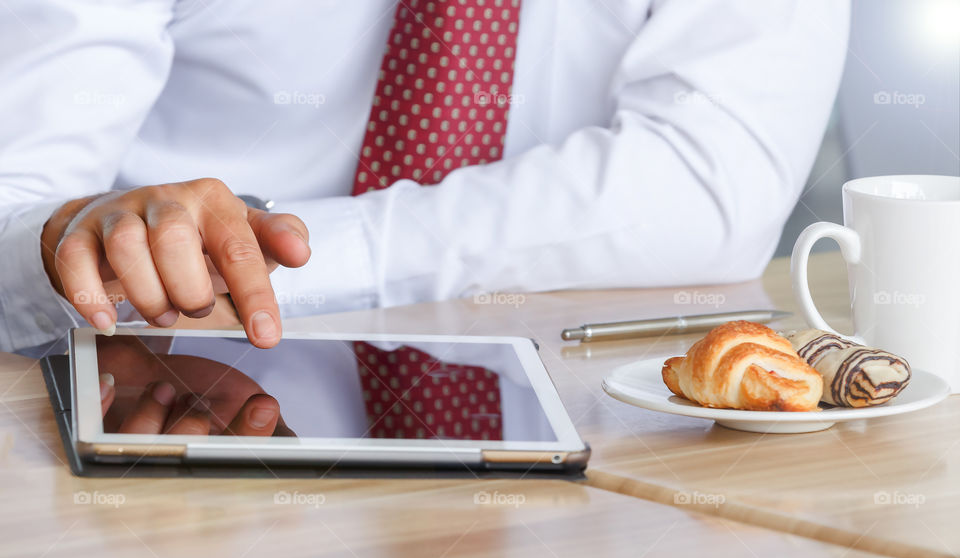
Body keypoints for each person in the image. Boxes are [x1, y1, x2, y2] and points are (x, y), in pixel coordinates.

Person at [0, 0, 850, 354]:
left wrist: (288, 258)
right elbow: (13, 193)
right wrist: (70, 234)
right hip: (165, 379)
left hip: (582, 416)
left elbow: (711, 184)